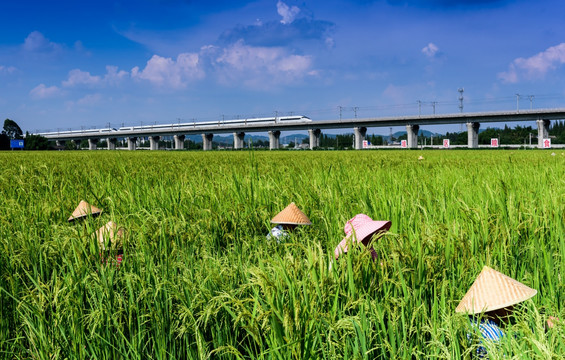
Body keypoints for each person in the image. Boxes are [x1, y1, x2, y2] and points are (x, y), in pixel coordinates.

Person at [456, 266, 558, 358]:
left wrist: (543, 328)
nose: (514, 307)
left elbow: (514, 339)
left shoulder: (471, 323)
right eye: (509, 304)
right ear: (497, 306)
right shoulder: (493, 334)